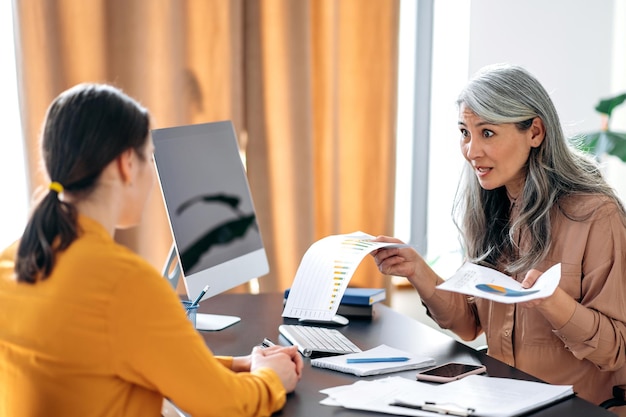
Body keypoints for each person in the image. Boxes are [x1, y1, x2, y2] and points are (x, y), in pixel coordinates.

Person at [0, 83, 303, 417]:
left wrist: (241, 364)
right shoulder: (124, 284)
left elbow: (116, 357)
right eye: (150, 157)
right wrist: (271, 379)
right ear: (126, 164)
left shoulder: (14, 259)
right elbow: (226, 406)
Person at [372, 64, 626, 409]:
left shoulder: (596, 214)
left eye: (487, 133)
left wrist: (554, 304)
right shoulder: (489, 205)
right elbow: (468, 324)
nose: (471, 150)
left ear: (535, 132)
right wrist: (418, 271)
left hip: (576, 408)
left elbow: (617, 350)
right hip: (499, 401)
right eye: (465, 132)